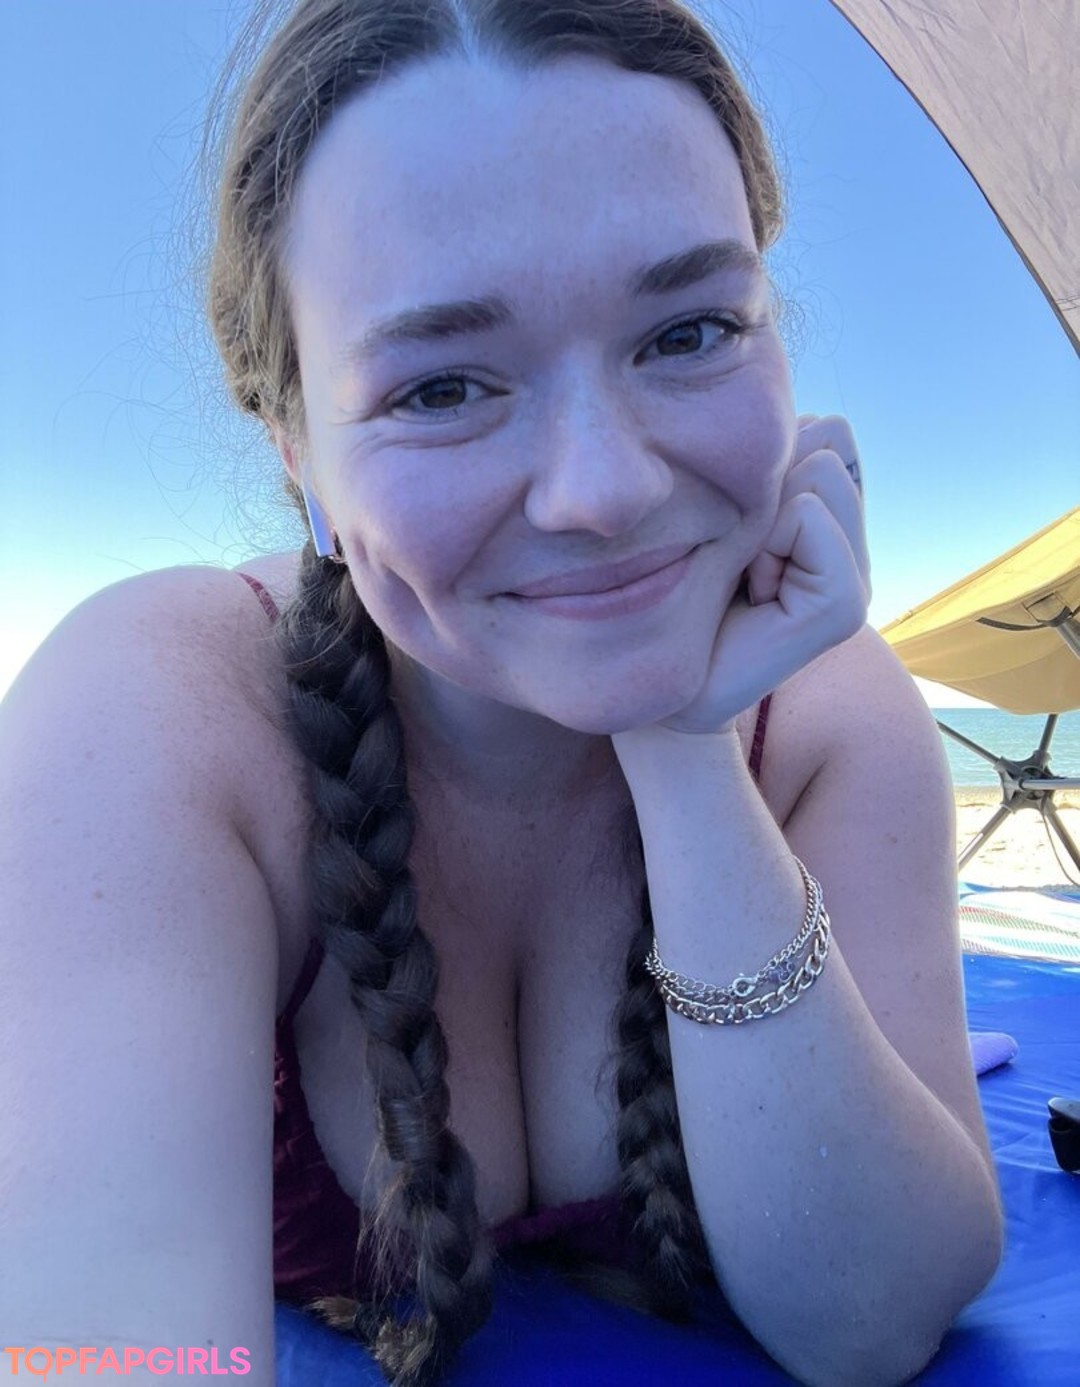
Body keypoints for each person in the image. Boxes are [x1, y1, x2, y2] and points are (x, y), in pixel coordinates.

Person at [0, 1, 1004, 1384]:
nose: (608, 491)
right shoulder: (156, 720)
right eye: (443, 389)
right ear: (297, 449)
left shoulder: (826, 713)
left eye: (689, 331)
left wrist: (685, 750)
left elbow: (870, 1322)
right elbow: (95, 1353)